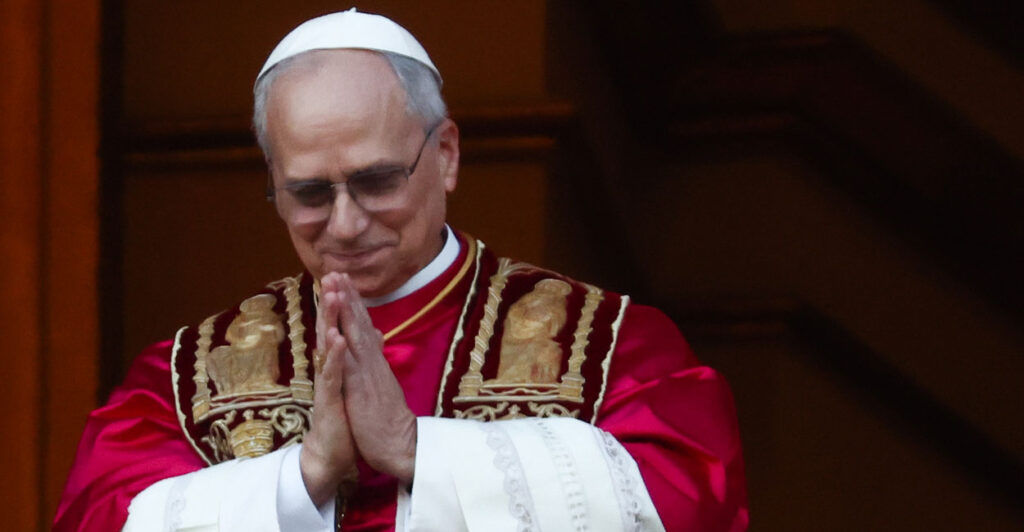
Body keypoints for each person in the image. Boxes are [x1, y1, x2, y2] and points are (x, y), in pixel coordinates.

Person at [54, 9, 748, 531]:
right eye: (309, 192)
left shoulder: (609, 347)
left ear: (445, 154)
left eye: (378, 180)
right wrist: (303, 476)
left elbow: (687, 499)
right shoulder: (183, 381)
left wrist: (420, 452)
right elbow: (101, 514)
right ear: (272, 178)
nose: (347, 223)